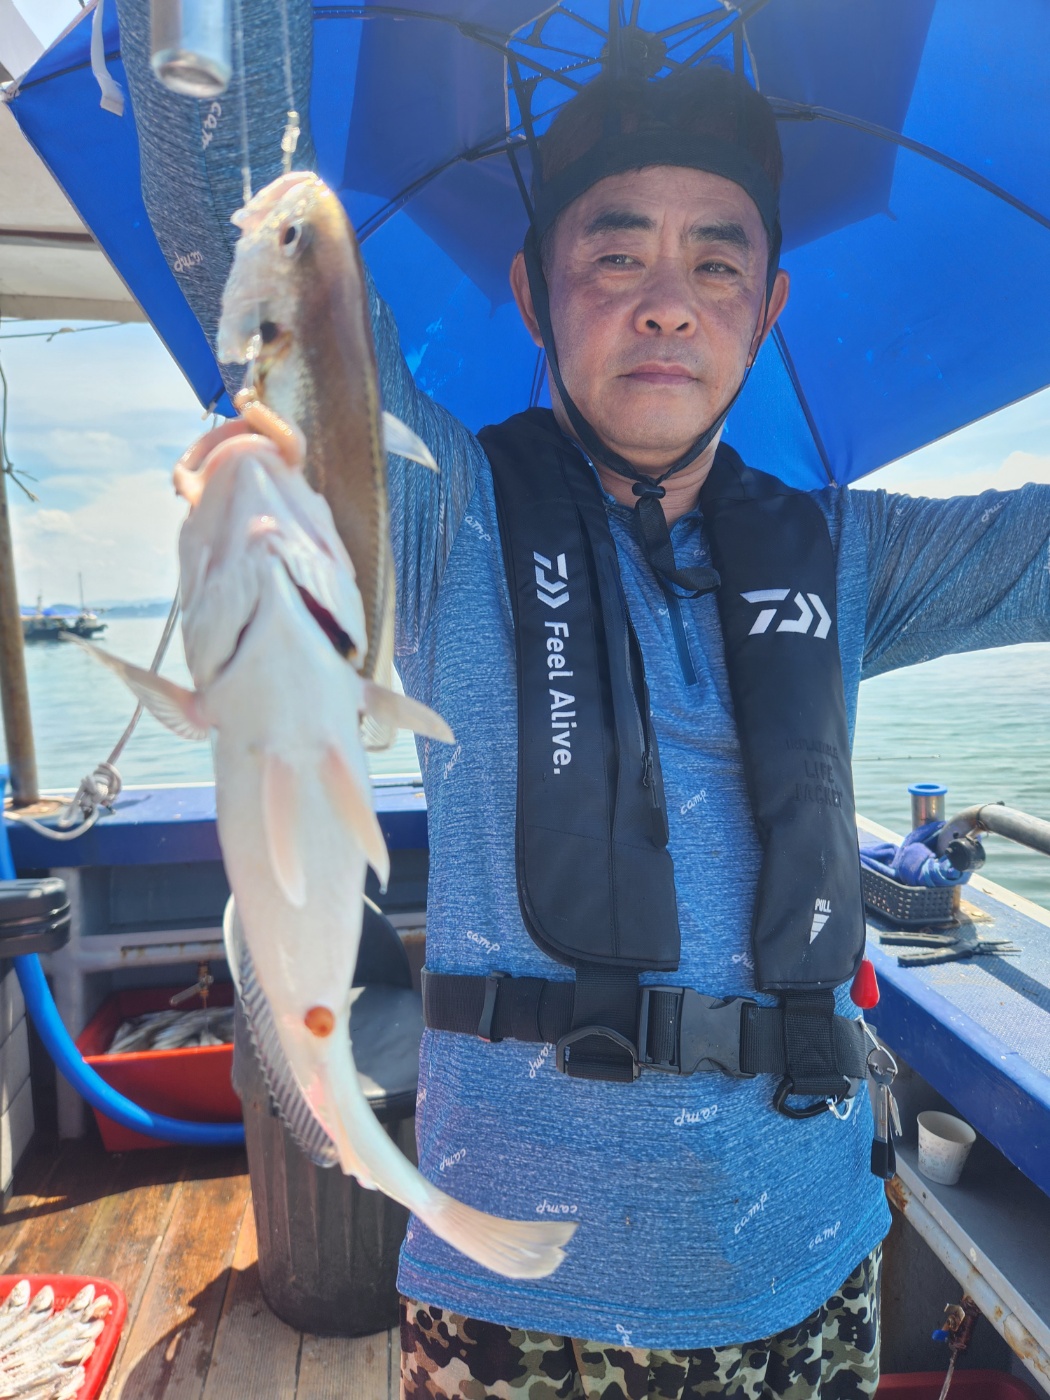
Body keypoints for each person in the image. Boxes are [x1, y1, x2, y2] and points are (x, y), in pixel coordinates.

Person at [118, 15, 1050, 1394]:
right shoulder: (438, 511)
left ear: (768, 307)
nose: (667, 303)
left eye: (716, 261)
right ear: (531, 289)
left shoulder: (853, 554)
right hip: (516, 1302)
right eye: (615, 255)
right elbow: (241, 231)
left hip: (814, 1270)